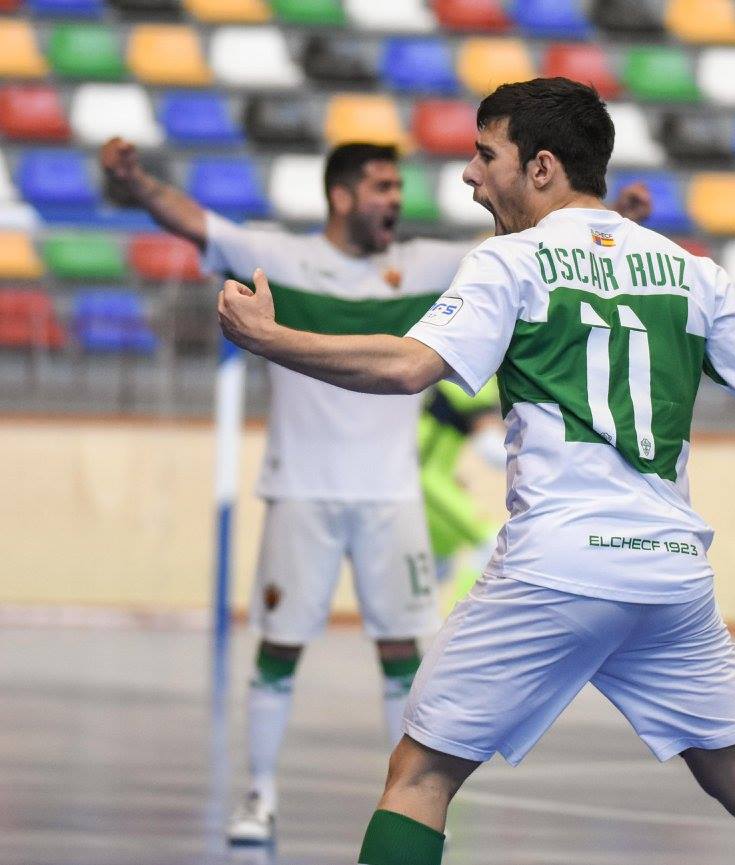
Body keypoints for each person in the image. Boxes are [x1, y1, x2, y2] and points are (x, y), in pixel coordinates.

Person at [216, 77, 735, 865]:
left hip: (559, 564)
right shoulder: (693, 271)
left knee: (419, 777)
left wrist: (275, 340)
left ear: (541, 167)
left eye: (486, 156)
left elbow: (408, 368)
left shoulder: (509, 262)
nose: (470, 176)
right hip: (670, 572)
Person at [99, 138, 650, 846]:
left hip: (393, 499)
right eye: (382, 187)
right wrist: (135, 179)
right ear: (341, 196)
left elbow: (530, 241)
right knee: (279, 647)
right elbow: (189, 220)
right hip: (301, 491)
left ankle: (405, 794)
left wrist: (606, 222)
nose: (395, 199)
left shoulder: (430, 266)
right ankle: (260, 793)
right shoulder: (281, 259)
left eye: (396, 187)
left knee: (403, 653)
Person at [418, 378, 504, 610]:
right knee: (494, 544)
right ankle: (458, 625)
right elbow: (493, 451)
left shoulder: (448, 374)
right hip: (426, 483)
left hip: (430, 479)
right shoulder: (474, 377)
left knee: (432, 573)